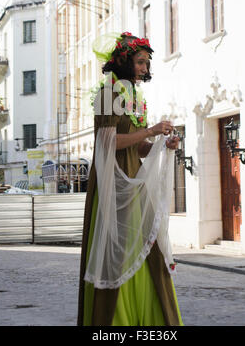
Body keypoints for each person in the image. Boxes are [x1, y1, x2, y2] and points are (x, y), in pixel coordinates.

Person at [77, 32, 183, 326]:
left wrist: (161, 143)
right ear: (123, 63)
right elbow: (108, 142)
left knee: (150, 248)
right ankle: (113, 324)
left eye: (147, 63)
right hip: (113, 184)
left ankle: (154, 322)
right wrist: (150, 131)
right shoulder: (106, 95)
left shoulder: (134, 96)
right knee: (117, 252)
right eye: (139, 62)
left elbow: (137, 147)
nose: (145, 69)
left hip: (134, 181)